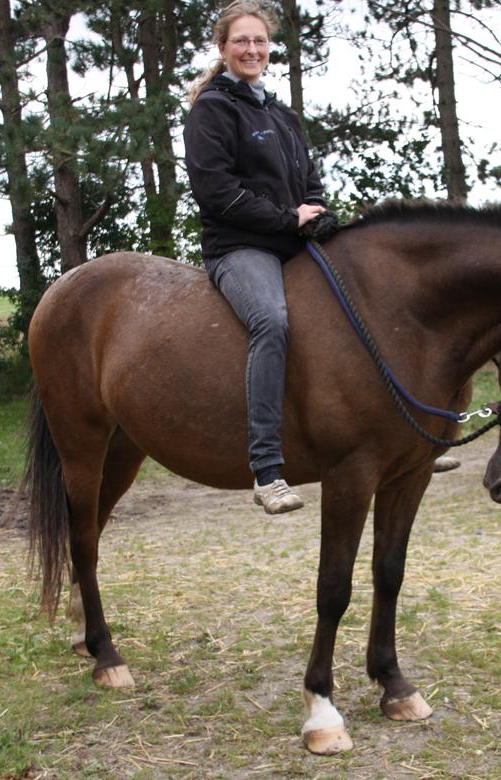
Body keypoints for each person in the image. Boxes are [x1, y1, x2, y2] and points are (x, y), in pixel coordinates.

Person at [184, 1, 330, 515]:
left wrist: (318, 213)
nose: (252, 49)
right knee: (271, 321)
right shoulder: (212, 109)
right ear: (222, 48)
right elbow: (217, 191)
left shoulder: (281, 113)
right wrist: (290, 218)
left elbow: (309, 181)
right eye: (241, 41)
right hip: (240, 248)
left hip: (292, 242)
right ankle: (267, 469)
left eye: (260, 41)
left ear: (270, 48)